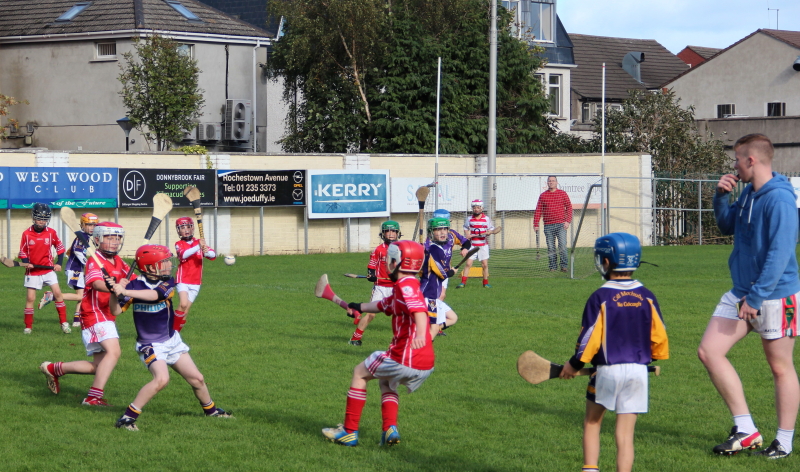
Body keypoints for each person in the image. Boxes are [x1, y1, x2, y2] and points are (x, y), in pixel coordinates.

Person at [697, 133, 800, 459]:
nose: (734, 166)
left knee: (780, 367)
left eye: (737, 160)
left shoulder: (780, 199)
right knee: (709, 351)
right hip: (743, 291)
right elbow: (727, 226)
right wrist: (720, 196)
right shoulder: (748, 194)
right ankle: (746, 429)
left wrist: (756, 298)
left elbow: (780, 254)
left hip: (775, 295)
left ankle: (783, 442)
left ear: (751, 160)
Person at [560, 232, 669, 472]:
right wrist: (652, 357)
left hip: (606, 372)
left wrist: (574, 365)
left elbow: (589, 339)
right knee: (625, 433)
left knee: (592, 422)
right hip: (639, 372)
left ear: (606, 262)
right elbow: (660, 334)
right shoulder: (647, 296)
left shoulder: (600, 296)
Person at [322, 240, 433, 447]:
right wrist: (357, 306)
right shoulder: (406, 286)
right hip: (424, 362)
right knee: (385, 381)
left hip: (406, 356)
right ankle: (390, 429)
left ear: (397, 262)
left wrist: (420, 332)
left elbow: (419, 310)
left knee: (359, 373)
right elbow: (383, 305)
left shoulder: (405, 285)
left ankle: (349, 432)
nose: (388, 264)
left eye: (391, 259)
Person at [109, 245, 231, 431]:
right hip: (150, 345)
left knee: (197, 379)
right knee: (161, 380)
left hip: (172, 341)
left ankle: (211, 411)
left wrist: (125, 292)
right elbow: (115, 310)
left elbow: (156, 295)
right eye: (163, 262)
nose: (168, 265)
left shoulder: (167, 282)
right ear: (150, 268)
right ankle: (127, 418)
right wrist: (114, 291)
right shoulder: (134, 285)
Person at [39, 222, 131, 406]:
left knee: (98, 367)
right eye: (109, 237)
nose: (114, 242)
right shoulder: (94, 260)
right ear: (97, 239)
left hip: (107, 315)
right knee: (114, 352)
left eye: (118, 238)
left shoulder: (119, 262)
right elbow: (96, 284)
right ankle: (92, 398)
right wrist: (115, 287)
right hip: (94, 314)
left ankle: (53, 368)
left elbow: (134, 281)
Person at [39, 212, 98, 328]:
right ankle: (52, 296)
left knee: (83, 294)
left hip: (78, 269)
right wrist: (88, 265)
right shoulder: (83, 236)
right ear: (82, 225)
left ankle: (77, 319)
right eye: (89, 225)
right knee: (81, 296)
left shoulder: (85, 236)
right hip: (74, 269)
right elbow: (77, 251)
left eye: (94, 225)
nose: (92, 228)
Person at [348, 221, 401, 346]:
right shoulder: (378, 250)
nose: (391, 234)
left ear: (398, 233)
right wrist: (371, 275)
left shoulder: (401, 248)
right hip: (380, 287)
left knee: (401, 314)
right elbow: (371, 266)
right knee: (371, 314)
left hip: (396, 287)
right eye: (388, 231)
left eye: (394, 231)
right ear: (383, 233)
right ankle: (355, 338)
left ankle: (401, 341)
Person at [19, 202, 69, 334]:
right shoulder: (26, 234)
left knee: (58, 294)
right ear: (33, 218)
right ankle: (28, 327)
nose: (41, 221)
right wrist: (26, 262)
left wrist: (58, 263)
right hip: (32, 271)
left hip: (48, 270)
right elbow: (23, 252)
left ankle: (64, 323)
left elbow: (60, 248)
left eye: (45, 219)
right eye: (39, 218)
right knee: (30, 298)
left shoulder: (51, 233)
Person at [421, 217, 462, 337]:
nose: (442, 232)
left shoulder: (434, 248)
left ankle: (423, 340)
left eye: (445, 229)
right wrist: (452, 272)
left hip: (433, 296)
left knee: (453, 318)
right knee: (433, 328)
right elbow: (443, 274)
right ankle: (422, 351)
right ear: (431, 233)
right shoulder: (434, 249)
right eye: (438, 230)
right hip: (428, 296)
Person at [174, 217, 216, 332]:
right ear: (178, 230)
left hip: (196, 281)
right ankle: (170, 328)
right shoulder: (179, 244)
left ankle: (175, 333)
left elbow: (213, 255)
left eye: (188, 226)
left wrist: (205, 250)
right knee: (182, 304)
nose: (186, 230)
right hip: (182, 279)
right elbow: (183, 255)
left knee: (186, 310)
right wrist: (198, 246)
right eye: (182, 227)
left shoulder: (199, 242)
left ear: (192, 228)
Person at [533, 176, 573, 272]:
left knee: (562, 246)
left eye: (553, 181)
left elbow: (569, 208)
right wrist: (536, 224)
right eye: (549, 181)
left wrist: (568, 221)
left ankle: (564, 266)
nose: (551, 182)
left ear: (556, 182)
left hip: (561, 225)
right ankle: (552, 267)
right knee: (551, 247)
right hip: (548, 225)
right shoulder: (543, 196)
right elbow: (538, 210)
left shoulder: (563, 194)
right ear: (547, 183)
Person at [431, 209, 470, 301]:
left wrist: (464, 248)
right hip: (434, 273)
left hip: (446, 271)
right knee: (435, 297)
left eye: (445, 227)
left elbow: (466, 242)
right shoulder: (430, 242)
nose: (442, 231)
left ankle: (435, 314)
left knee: (442, 296)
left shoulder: (452, 235)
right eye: (439, 228)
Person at [458, 199, 496, 289]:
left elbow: (491, 229)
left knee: (485, 264)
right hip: (472, 245)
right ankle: (463, 283)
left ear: (481, 208)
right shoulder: (469, 219)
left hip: (483, 245)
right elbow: (465, 227)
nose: (476, 209)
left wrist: (489, 232)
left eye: (478, 207)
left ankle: (485, 283)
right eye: (474, 207)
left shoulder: (486, 219)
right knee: (468, 264)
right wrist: (467, 234)